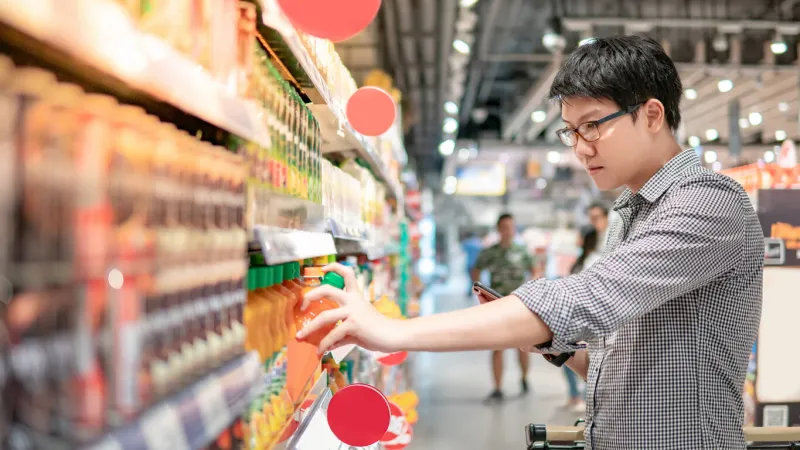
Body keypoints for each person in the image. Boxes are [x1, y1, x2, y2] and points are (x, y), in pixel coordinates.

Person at [298, 36, 763, 450]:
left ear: (652, 114)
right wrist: (556, 346)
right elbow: (617, 356)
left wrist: (393, 331)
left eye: (593, 125)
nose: (580, 147)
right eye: (571, 130)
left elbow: (589, 299)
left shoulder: (709, 202)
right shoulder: (631, 212)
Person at [470, 213, 535, 402]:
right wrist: (479, 290)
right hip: (497, 306)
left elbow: (535, 271)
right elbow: (476, 269)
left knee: (523, 347)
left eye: (511, 227)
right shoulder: (490, 252)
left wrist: (533, 290)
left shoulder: (523, 252)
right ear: (498, 229)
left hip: (520, 305)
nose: (508, 231)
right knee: (497, 347)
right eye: (504, 227)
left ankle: (524, 378)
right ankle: (497, 387)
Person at [561, 225, 599, 411]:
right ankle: (577, 396)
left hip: (582, 319)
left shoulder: (590, 260)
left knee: (578, 359)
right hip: (580, 318)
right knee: (571, 357)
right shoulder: (585, 260)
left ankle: (580, 397)